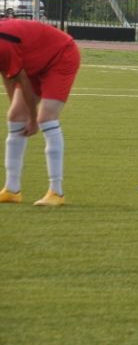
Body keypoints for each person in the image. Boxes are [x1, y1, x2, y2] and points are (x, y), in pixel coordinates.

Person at [0, 20, 80, 206]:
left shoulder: (3, 44)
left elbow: (19, 77)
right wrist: (18, 109)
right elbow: (7, 74)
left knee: (46, 117)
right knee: (15, 116)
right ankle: (11, 190)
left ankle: (56, 192)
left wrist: (33, 119)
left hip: (61, 55)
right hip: (33, 62)